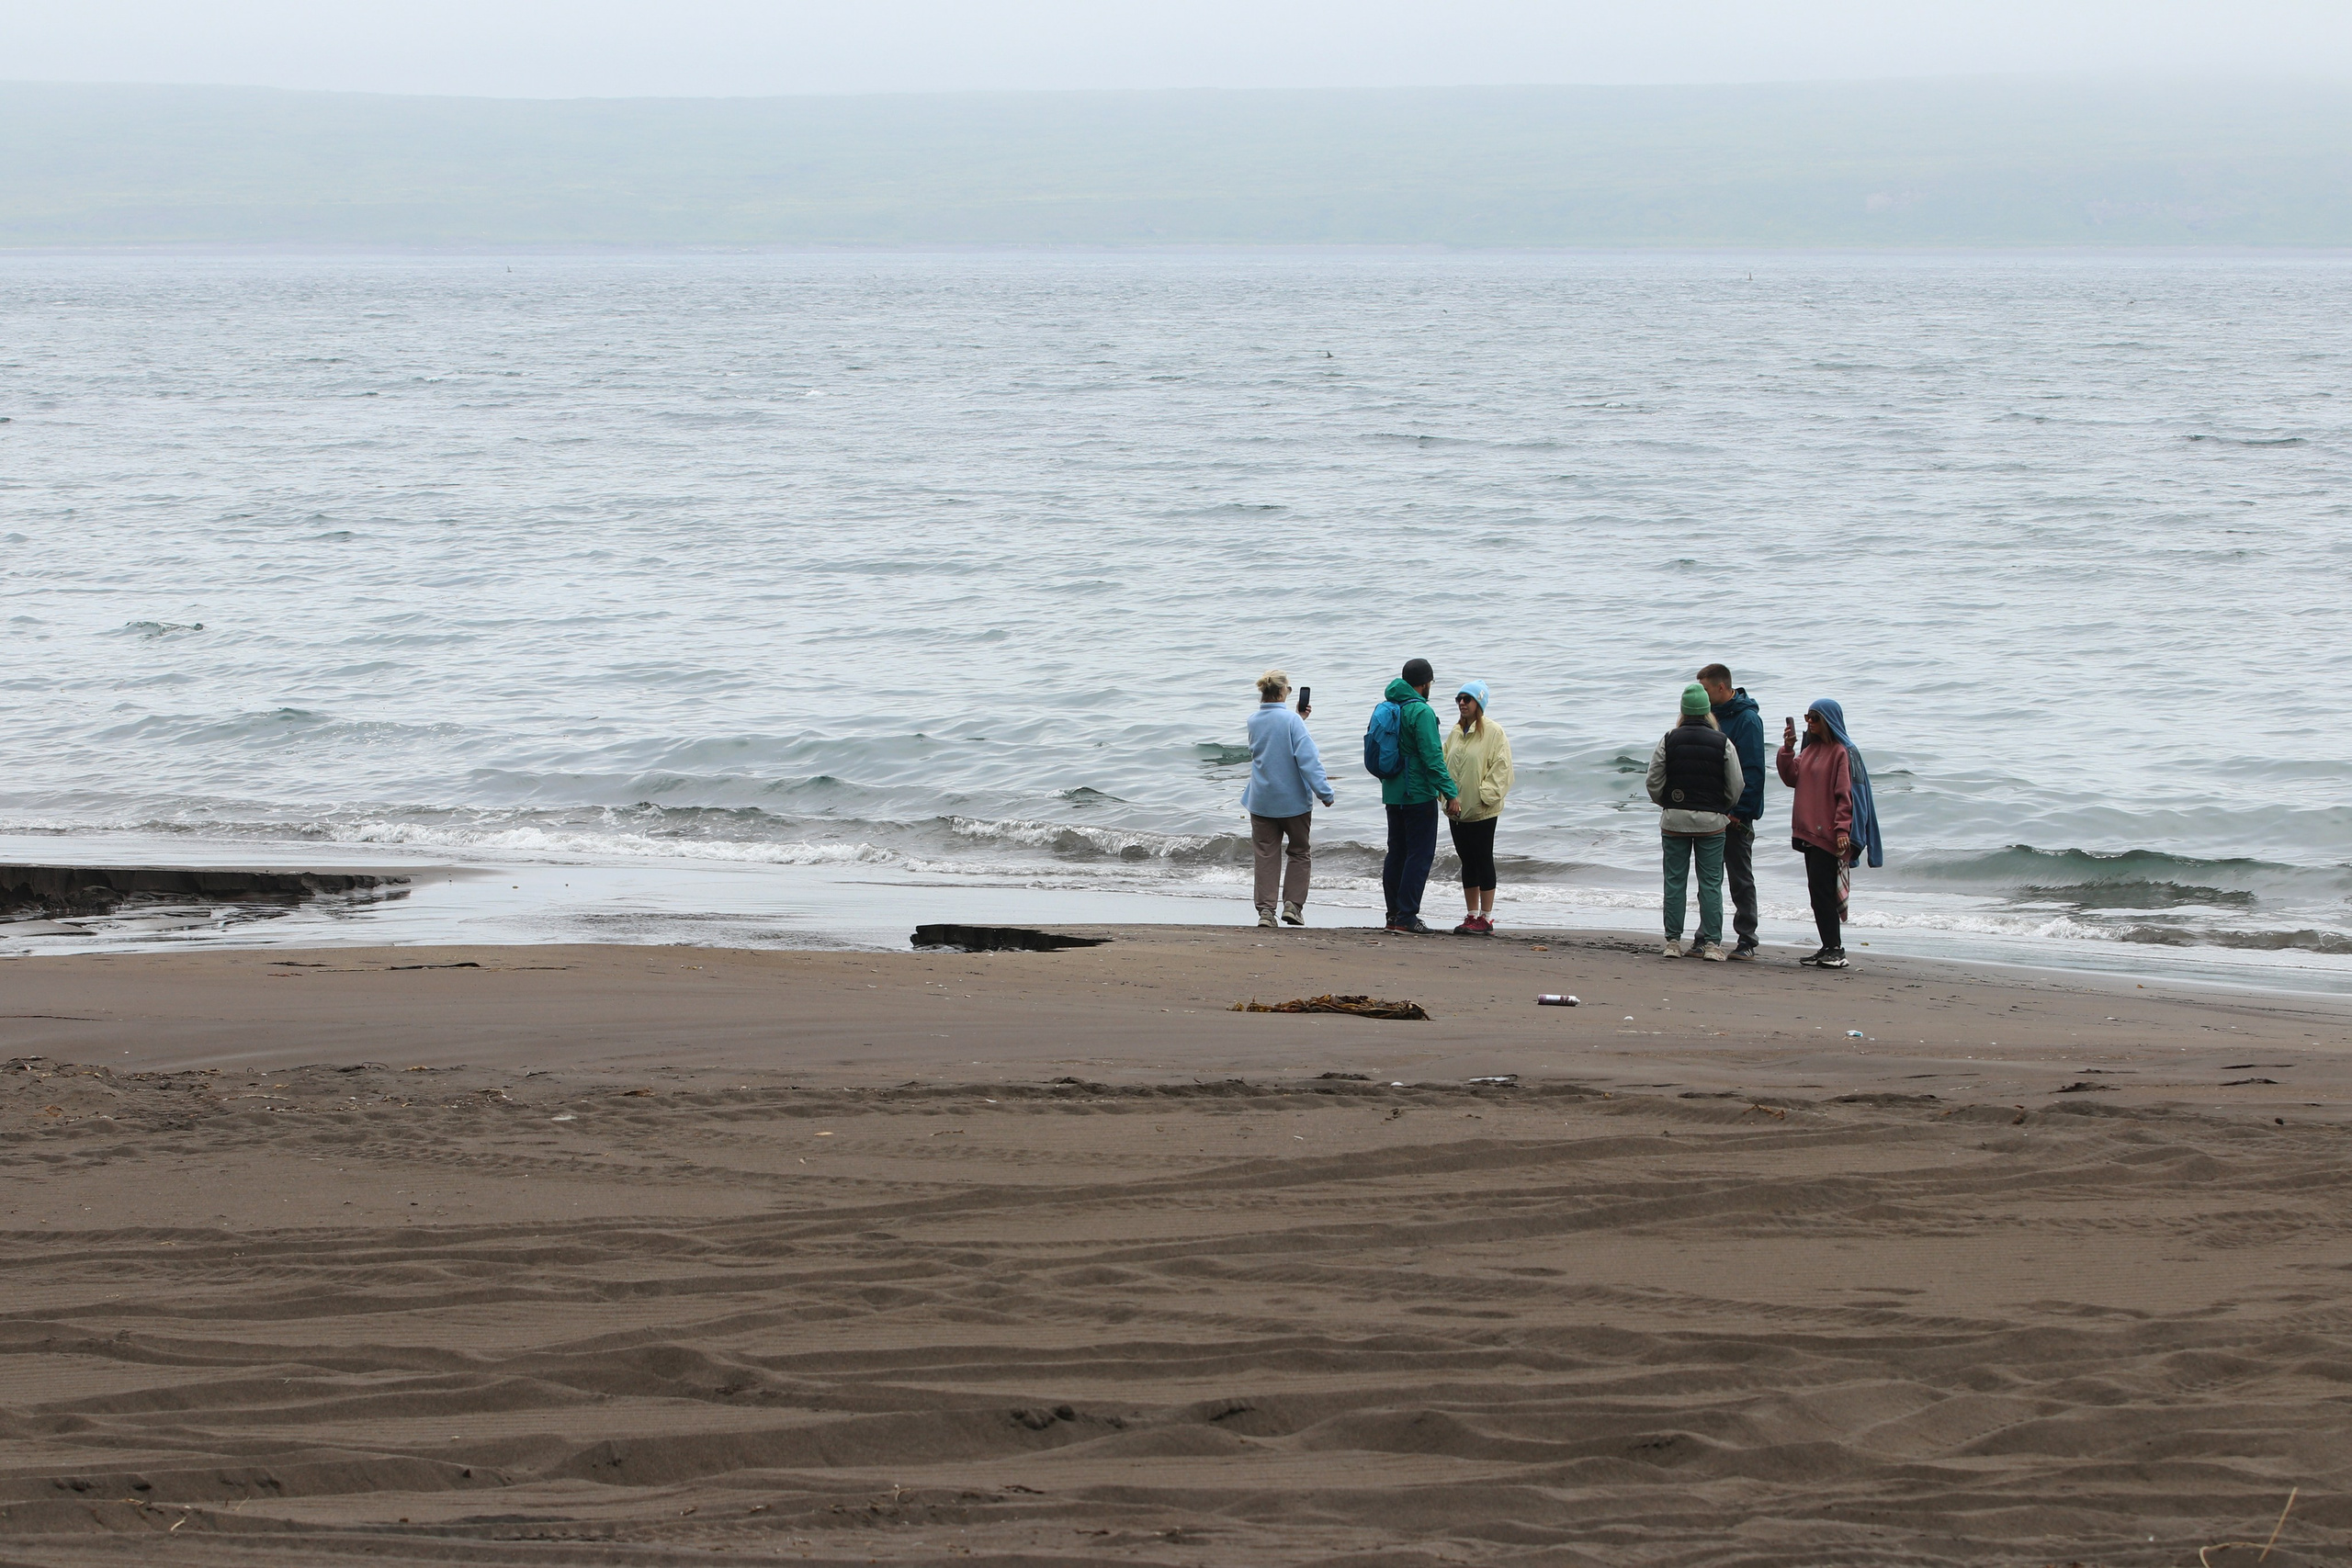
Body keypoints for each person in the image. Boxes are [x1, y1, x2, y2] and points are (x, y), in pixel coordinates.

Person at [1776, 698, 1884, 969]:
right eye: (1807, 718)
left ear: (1829, 721)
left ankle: (1835, 950)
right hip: (1809, 831)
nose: (1809, 723)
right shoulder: (1810, 751)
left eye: (1815, 718)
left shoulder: (1841, 752)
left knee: (1824, 891)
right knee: (1817, 891)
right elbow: (1791, 777)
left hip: (1829, 834)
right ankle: (1828, 947)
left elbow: (1845, 795)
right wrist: (1787, 750)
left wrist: (1842, 830)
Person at [1646, 682, 1744, 961]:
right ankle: (1712, 944)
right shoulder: (1722, 741)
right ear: (1707, 711)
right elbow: (1736, 785)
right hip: (1711, 822)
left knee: (1674, 882)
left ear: (1683, 711)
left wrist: (1668, 803)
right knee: (1711, 883)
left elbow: (1653, 781)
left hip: (1674, 820)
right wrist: (1720, 806)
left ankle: (1673, 942)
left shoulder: (1669, 739)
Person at [1241, 669, 1333, 930]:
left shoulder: (1253, 721)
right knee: (1299, 852)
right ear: (1283, 692)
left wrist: (1299, 718)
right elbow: (1308, 760)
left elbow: (1267, 748)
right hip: (1293, 802)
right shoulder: (1293, 722)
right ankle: (1292, 905)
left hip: (1261, 800)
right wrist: (1324, 792)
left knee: (1266, 855)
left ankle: (1266, 912)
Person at [1373, 657, 1457, 934]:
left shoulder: (1390, 706)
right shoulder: (1421, 713)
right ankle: (1407, 917)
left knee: (1396, 853)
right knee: (1419, 856)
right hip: (1418, 795)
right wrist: (1450, 793)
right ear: (1425, 683)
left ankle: (1393, 915)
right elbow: (1432, 758)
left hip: (1392, 795)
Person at [1698, 663, 1767, 959]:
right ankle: (1705, 936)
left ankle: (1747, 939)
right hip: (1710, 810)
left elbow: (1753, 769)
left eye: (1705, 690)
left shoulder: (1748, 719)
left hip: (1737, 813)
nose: (1701, 696)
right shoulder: (1709, 717)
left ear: (1721, 688)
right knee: (1709, 877)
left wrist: (1740, 811)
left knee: (1740, 877)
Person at [1441, 680, 1514, 934]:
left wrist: (1485, 797)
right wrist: (1446, 797)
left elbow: (1502, 769)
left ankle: (1487, 917)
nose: (1462, 703)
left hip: (1482, 810)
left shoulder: (1494, 732)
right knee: (1467, 861)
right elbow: (1443, 765)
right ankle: (1471, 915)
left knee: (1483, 860)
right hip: (1456, 811)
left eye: (1467, 699)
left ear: (1478, 703)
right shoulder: (1455, 733)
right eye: (1459, 699)